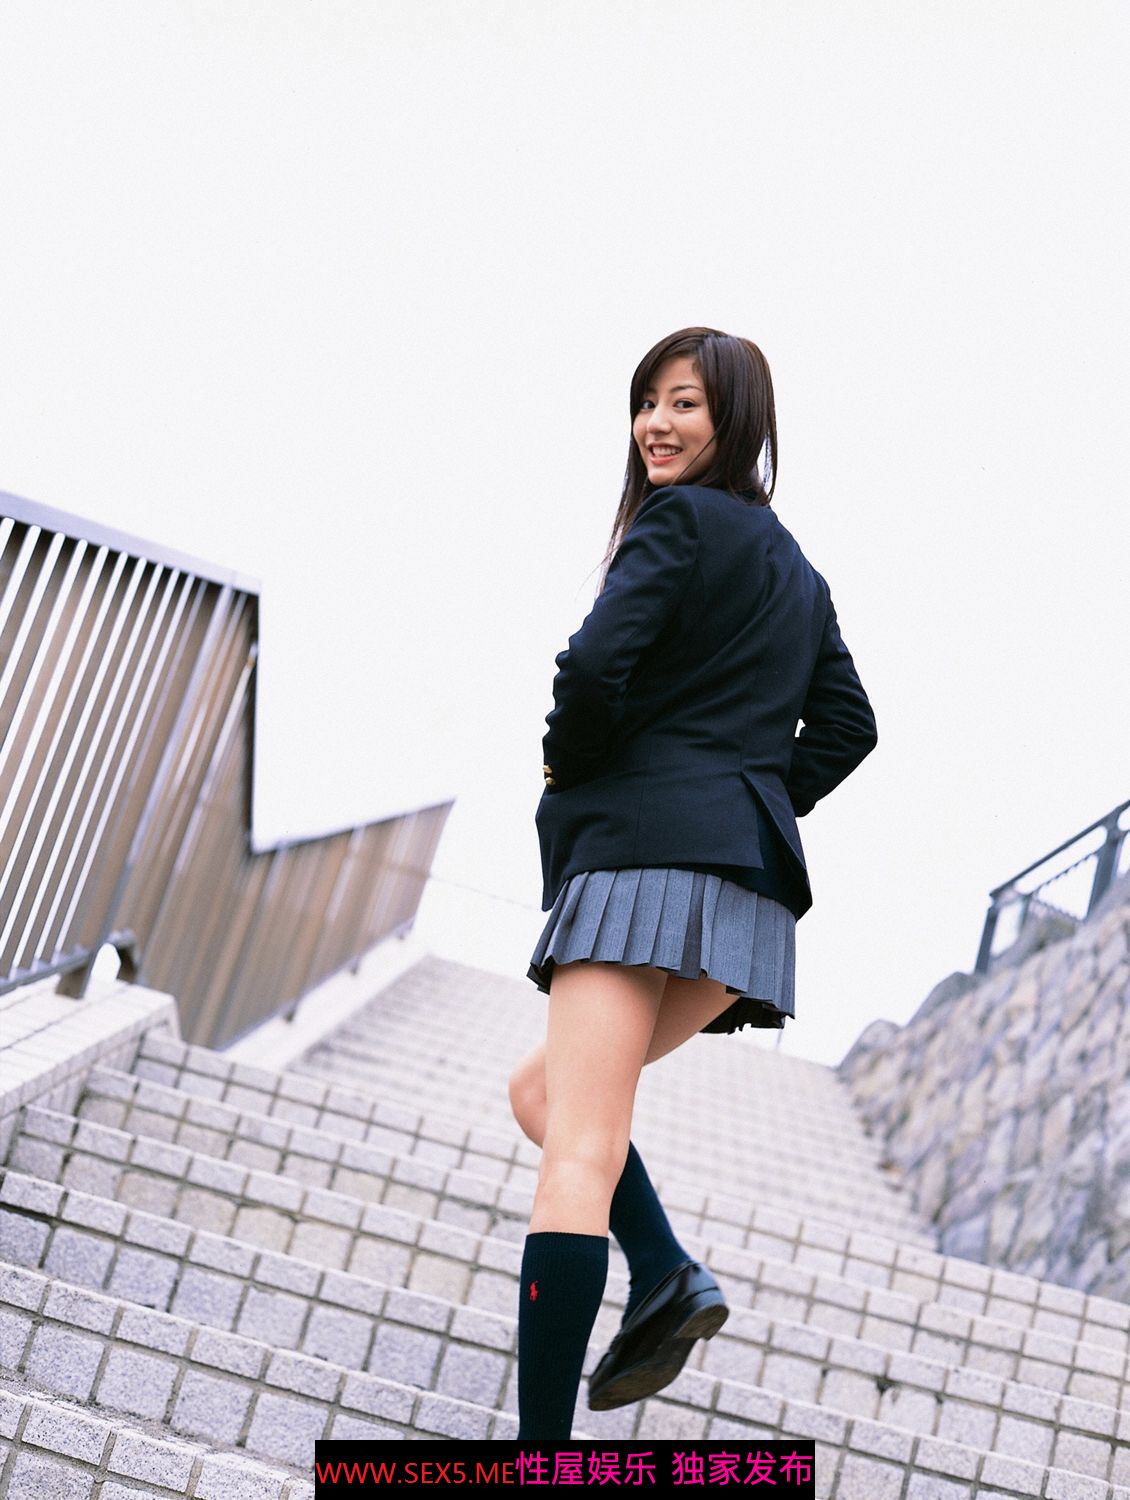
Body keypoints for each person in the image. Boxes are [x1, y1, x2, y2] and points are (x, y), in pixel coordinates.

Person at [507, 326, 878, 1439]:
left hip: (642, 869)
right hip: (743, 902)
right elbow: (849, 726)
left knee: (576, 1153)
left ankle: (537, 1461)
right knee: (546, 1098)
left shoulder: (673, 521)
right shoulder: (797, 572)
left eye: (685, 404)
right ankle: (664, 1269)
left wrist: (576, 765)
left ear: (735, 421)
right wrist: (745, 799)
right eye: (648, 402)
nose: (656, 425)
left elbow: (591, 668)